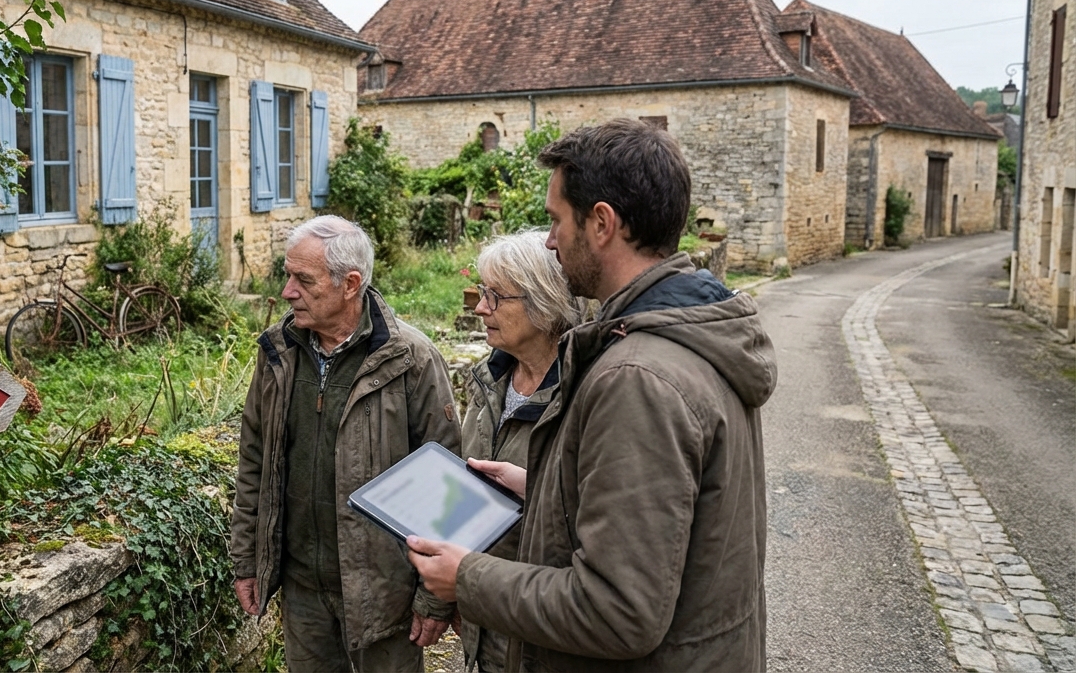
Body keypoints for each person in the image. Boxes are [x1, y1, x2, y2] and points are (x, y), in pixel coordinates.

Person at [407, 118, 777, 671]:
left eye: (557, 221)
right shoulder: (695, 331)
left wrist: (467, 576)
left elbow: (618, 611)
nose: (550, 240)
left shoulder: (639, 377)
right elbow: (674, 518)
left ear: (601, 223)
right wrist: (545, 490)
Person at [231, 215, 460, 672]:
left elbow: (447, 487)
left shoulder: (410, 360)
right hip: (303, 592)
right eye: (287, 274)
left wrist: (434, 599)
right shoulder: (279, 351)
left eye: (303, 279)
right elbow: (254, 458)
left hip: (385, 593)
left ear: (350, 283)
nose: (286, 291)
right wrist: (246, 560)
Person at [459, 231, 580, 672]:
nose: (480, 308)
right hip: (486, 608)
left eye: (495, 296)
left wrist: (539, 489)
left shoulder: (584, 394)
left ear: (543, 303)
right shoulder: (490, 381)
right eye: (480, 292)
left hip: (544, 622)